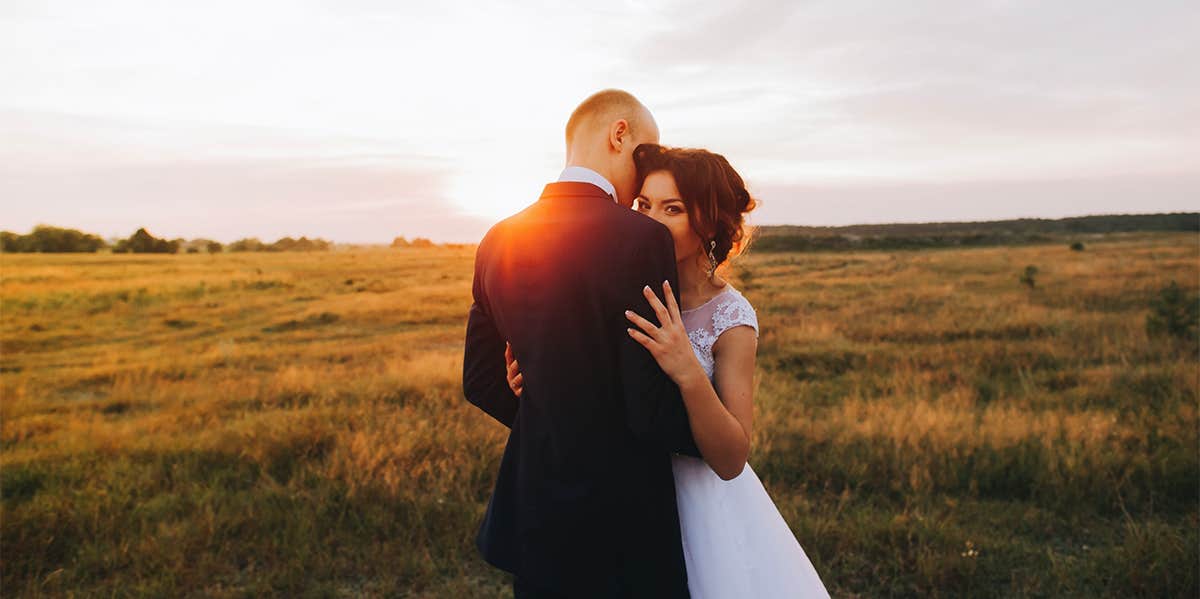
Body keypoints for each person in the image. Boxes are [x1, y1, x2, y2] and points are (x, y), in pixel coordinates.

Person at [506, 144, 831, 597]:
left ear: (709, 225)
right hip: (618, 495)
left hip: (696, 510)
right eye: (642, 204)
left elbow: (732, 457)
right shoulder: (623, 291)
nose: (648, 219)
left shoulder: (731, 320)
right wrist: (533, 379)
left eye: (671, 208)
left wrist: (688, 371)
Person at [461, 89, 701, 598]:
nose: (648, 169)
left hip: (535, 516)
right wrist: (714, 437)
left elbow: (481, 381)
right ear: (620, 135)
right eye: (646, 151)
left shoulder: (497, 238)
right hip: (624, 522)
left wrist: (552, 422)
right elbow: (646, 406)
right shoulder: (642, 238)